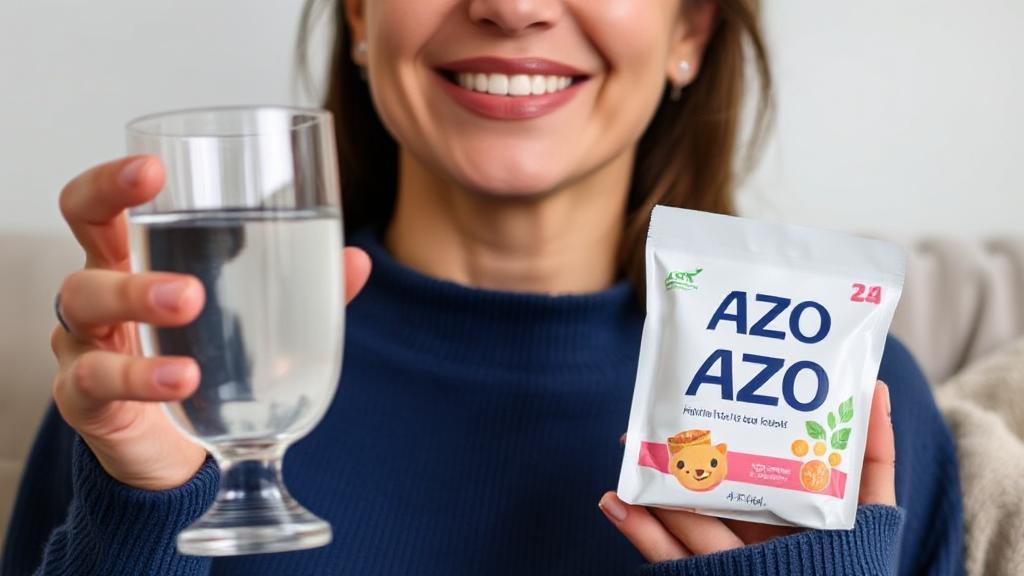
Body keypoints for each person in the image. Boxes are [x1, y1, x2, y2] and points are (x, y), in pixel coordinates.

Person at [2, 1, 963, 574]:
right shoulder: (159, 378)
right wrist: (145, 515)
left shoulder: (844, 396)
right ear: (360, 16)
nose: (512, 5)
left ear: (692, 29)